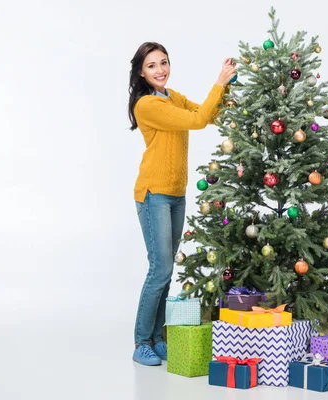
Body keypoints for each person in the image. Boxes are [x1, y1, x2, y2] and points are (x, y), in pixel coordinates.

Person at [127, 42, 236, 366]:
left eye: (164, 62)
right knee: (159, 269)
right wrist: (218, 82)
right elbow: (199, 120)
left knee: (167, 269)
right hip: (154, 194)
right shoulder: (147, 105)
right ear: (141, 72)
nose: (160, 70)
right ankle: (141, 342)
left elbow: (208, 113)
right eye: (152, 66)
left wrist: (227, 89)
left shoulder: (172, 97)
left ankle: (158, 338)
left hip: (177, 193)